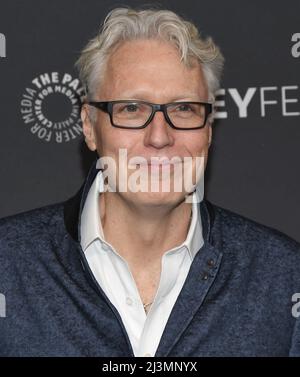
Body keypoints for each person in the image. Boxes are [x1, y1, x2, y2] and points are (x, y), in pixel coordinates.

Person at [0, 7, 299, 357]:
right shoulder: (9, 266)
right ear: (89, 126)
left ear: (208, 129)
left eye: (184, 109)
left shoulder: (283, 278)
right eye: (131, 109)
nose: (159, 136)